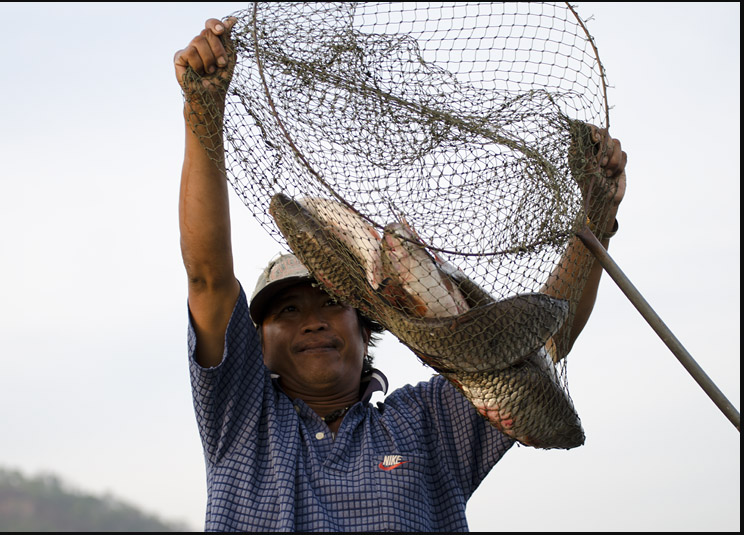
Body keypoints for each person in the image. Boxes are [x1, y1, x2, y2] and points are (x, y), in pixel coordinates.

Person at [174, 16, 627, 532]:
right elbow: (208, 278)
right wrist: (202, 111)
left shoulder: (426, 423)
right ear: (257, 344)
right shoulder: (241, 422)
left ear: (366, 328)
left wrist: (597, 220)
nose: (313, 322)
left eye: (330, 303)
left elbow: (543, 341)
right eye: (288, 311)